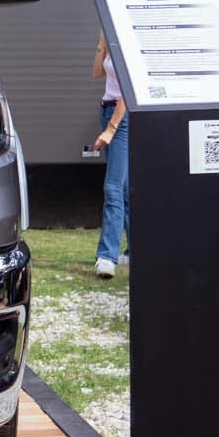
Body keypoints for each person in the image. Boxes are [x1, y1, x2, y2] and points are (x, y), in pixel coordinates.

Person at [91, 34, 129, 278]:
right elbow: (96, 73)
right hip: (107, 110)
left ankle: (107, 257)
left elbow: (128, 90)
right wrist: (101, 44)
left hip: (120, 118)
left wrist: (111, 129)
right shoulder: (112, 42)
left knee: (113, 188)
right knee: (123, 188)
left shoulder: (128, 45)